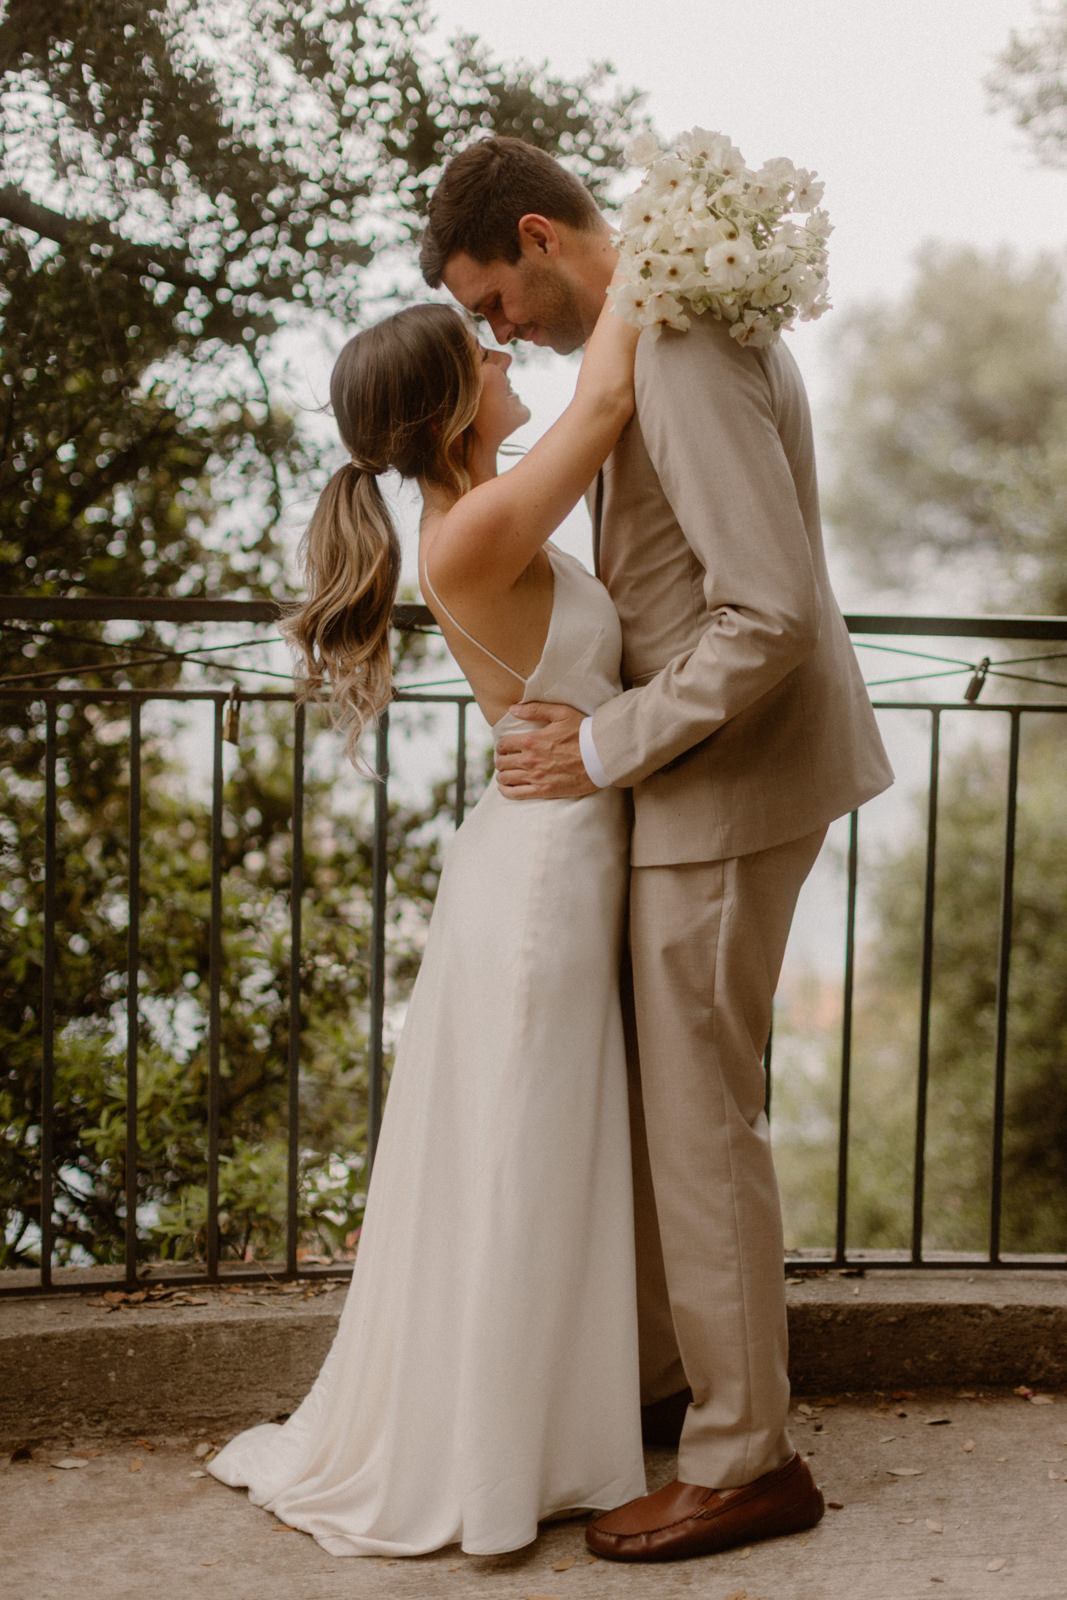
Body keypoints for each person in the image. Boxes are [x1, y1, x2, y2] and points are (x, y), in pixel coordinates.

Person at [421, 135, 894, 1564]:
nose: (493, 332)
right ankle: (667, 1388)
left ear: (534, 238)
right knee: (674, 1117)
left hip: (724, 788)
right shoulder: (666, 318)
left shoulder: (675, 339)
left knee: (699, 1133)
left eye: (489, 301)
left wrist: (601, 742)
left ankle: (743, 1458)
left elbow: (764, 614)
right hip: (712, 785)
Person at [207, 299, 651, 1555]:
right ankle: (493, 1468)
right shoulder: (471, 529)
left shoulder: (474, 515)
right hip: (542, 881)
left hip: (550, 853)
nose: (509, 355)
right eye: (486, 351)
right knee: (519, 1148)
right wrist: (655, 248)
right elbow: (608, 401)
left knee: (540, 1147)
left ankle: (539, 1436)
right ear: (453, 405)